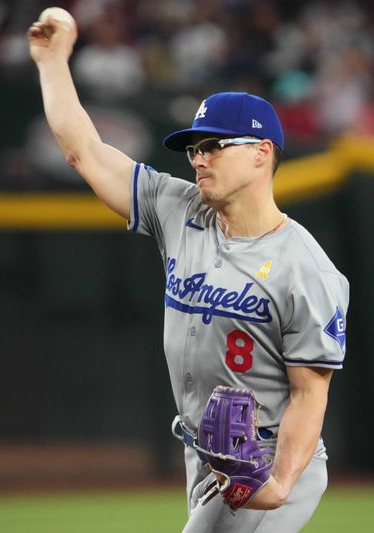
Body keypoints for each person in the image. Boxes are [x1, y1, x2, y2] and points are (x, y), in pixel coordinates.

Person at [28, 11, 349, 533]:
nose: (199, 158)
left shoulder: (307, 269)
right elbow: (83, 151)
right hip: (203, 456)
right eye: (195, 148)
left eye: (215, 145)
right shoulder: (179, 211)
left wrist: (280, 483)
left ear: (262, 154)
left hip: (263, 459)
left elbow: (311, 394)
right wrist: (52, 64)